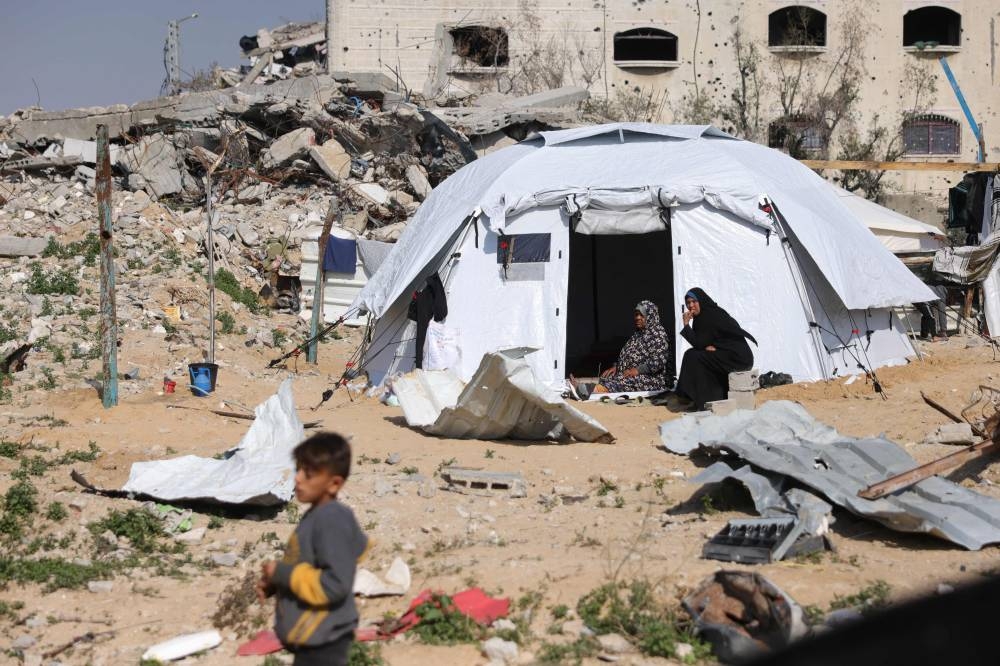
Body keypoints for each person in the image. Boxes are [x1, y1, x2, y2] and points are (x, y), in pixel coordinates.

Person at [257, 432, 368, 666]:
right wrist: (278, 584)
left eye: (308, 473)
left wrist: (281, 573)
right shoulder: (318, 515)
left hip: (324, 637)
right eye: (298, 469)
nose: (297, 478)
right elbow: (312, 566)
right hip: (314, 635)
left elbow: (335, 584)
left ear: (334, 483)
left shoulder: (331, 518)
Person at [674, 287, 757, 411]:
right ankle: (704, 396)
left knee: (693, 356)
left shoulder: (710, 315)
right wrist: (716, 346)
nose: (691, 306)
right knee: (694, 354)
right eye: (688, 303)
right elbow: (704, 342)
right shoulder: (704, 316)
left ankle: (695, 396)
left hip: (738, 358)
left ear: (701, 301)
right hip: (728, 354)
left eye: (694, 301)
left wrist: (686, 325)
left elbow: (699, 343)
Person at [588, 300, 672, 395]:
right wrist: (617, 367)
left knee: (626, 381)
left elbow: (658, 362)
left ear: (650, 316)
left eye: (641, 315)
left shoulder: (658, 334)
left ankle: (591, 390)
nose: (637, 318)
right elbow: (628, 353)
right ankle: (591, 388)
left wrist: (637, 370)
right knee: (608, 377)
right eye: (636, 315)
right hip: (633, 373)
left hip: (653, 379)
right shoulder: (639, 334)